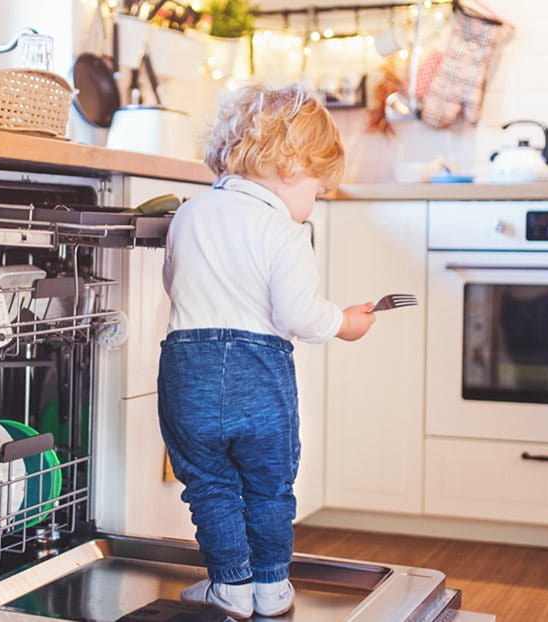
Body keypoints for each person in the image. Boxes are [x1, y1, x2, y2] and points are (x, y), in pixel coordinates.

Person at [158, 83, 377, 618]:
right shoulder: (284, 231)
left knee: (210, 484)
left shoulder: (189, 213)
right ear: (291, 164)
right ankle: (273, 586)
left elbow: (173, 282)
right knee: (268, 485)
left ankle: (230, 585)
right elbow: (299, 315)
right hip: (260, 373)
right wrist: (345, 322)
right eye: (317, 191)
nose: (314, 204)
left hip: (188, 368)